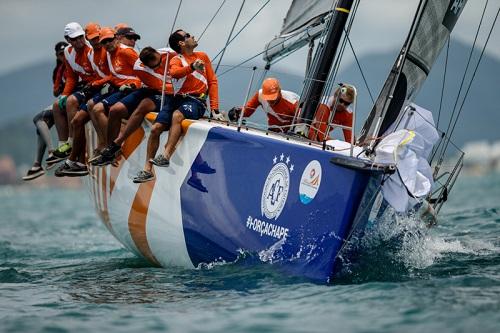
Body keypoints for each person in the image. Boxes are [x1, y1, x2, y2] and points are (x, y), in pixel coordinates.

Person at [133, 29, 222, 183]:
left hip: (196, 101)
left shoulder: (203, 56)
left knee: (177, 116)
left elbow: (212, 82)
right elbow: (175, 73)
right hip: (175, 100)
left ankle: (166, 155)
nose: (193, 36)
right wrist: (192, 67)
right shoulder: (176, 59)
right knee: (155, 129)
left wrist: (215, 109)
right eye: (188, 36)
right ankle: (147, 170)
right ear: (181, 43)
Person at [55, 27, 141, 177]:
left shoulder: (123, 51)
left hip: (124, 88)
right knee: (76, 114)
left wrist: (99, 83)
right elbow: (72, 77)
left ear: (116, 38)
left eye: (108, 40)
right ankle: (76, 153)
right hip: (111, 88)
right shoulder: (102, 53)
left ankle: (109, 147)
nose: (102, 43)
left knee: (99, 110)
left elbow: (142, 71)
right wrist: (63, 93)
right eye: (102, 41)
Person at [92, 46, 177, 166]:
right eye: (153, 67)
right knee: (115, 110)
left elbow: (170, 88)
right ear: (145, 65)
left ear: (158, 54)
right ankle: (110, 151)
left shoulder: (170, 53)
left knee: (144, 105)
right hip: (155, 88)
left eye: (159, 63)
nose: (157, 67)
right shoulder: (139, 67)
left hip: (168, 93)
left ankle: (115, 145)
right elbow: (158, 86)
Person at [51, 22, 101, 160]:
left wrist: (72, 95)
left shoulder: (91, 50)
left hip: (98, 85)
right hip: (87, 85)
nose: (79, 41)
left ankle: (72, 142)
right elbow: (72, 77)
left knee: (71, 101)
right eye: (74, 39)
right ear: (68, 39)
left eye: (81, 37)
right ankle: (63, 144)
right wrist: (64, 94)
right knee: (57, 105)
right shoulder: (67, 52)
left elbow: (102, 74)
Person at [23, 41, 68, 180]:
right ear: (57, 56)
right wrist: (60, 87)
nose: (64, 56)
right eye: (61, 54)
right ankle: (37, 165)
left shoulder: (74, 63)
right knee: (41, 127)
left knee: (38, 119)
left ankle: (50, 152)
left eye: (65, 53)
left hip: (72, 99)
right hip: (64, 100)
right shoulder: (58, 69)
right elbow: (56, 91)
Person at [228, 77, 299, 133]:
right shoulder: (259, 95)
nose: (270, 100)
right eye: (268, 97)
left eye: (273, 97)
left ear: (279, 92)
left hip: (291, 134)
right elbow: (248, 110)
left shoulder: (292, 102)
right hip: (274, 131)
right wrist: (238, 112)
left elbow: (305, 123)